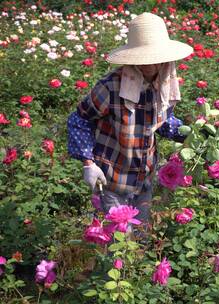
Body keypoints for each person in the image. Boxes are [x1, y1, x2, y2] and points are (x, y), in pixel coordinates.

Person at [67, 13, 193, 224]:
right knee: (118, 243)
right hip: (112, 179)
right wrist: (88, 163)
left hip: (144, 180)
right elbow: (79, 119)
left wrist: (192, 134)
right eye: (144, 60)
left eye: (156, 60)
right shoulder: (111, 87)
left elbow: (162, 123)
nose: (150, 66)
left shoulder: (163, 83)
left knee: (141, 240)